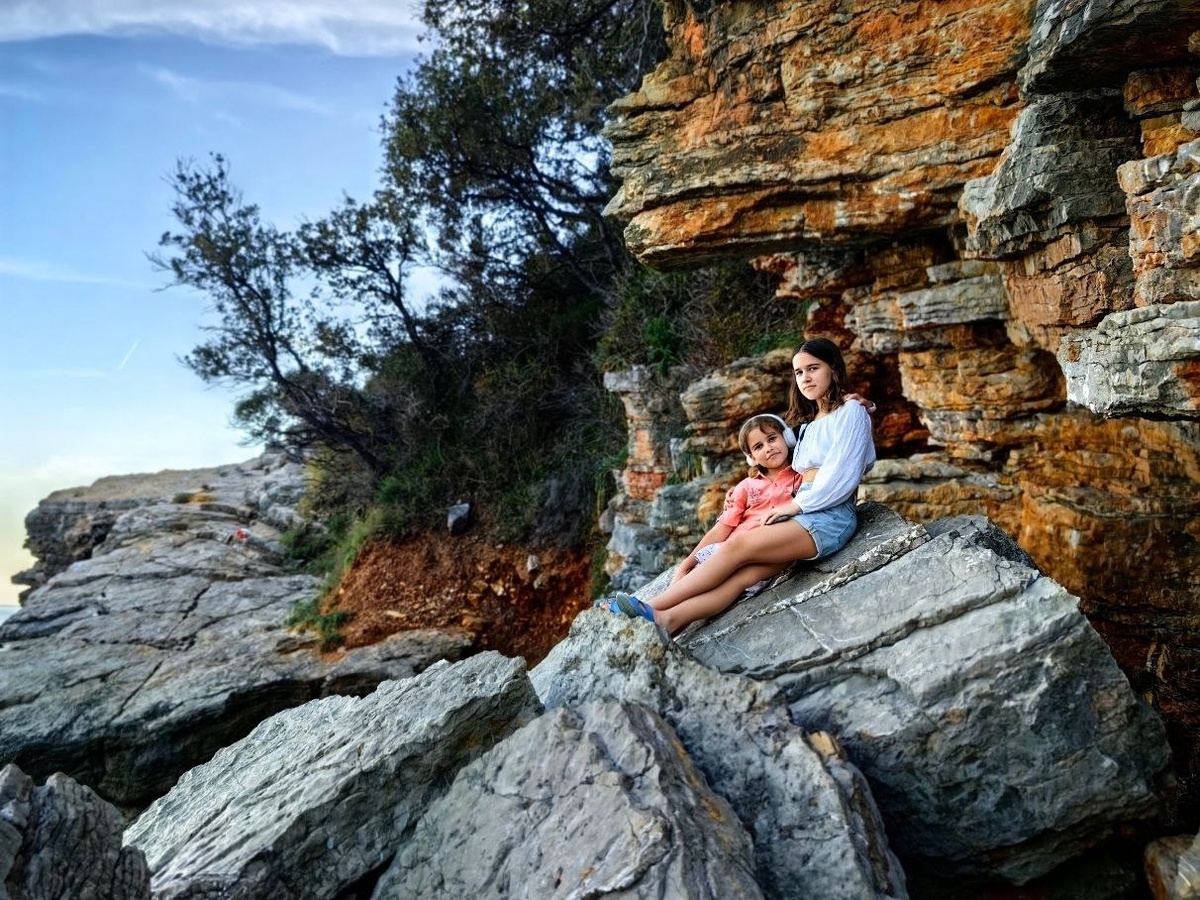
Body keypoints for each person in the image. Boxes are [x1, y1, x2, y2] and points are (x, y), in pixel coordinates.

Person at [599, 337, 876, 637]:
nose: (805, 378)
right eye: (798, 372)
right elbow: (778, 464)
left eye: (813, 368)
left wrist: (795, 506)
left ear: (833, 369)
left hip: (829, 517)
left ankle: (645, 606)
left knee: (737, 547)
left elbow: (842, 477)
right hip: (806, 515)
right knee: (742, 577)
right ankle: (669, 621)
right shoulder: (808, 426)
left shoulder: (851, 412)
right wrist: (743, 488)